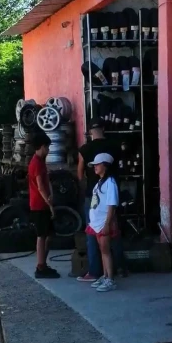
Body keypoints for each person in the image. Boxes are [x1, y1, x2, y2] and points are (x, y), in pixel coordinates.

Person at [75, 117, 122, 282]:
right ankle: (118, 268)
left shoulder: (85, 149)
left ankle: (95, 271)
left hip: (93, 195)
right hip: (111, 194)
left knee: (93, 233)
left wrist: (86, 187)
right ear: (104, 129)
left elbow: (80, 172)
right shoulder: (114, 147)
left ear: (89, 132)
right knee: (113, 232)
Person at [86, 153, 120, 292]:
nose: (95, 167)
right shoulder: (100, 182)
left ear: (105, 165)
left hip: (103, 223)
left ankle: (110, 279)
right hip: (97, 223)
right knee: (102, 250)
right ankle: (105, 276)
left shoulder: (110, 183)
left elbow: (111, 205)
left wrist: (107, 223)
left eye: (97, 164)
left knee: (105, 250)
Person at [28, 132, 59, 279]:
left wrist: (51, 194)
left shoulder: (41, 161)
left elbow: (47, 182)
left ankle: (43, 264)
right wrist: (50, 204)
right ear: (41, 147)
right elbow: (40, 186)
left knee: (48, 235)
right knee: (41, 236)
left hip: (43, 203)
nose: (48, 150)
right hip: (39, 205)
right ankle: (40, 267)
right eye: (47, 147)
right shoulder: (36, 163)